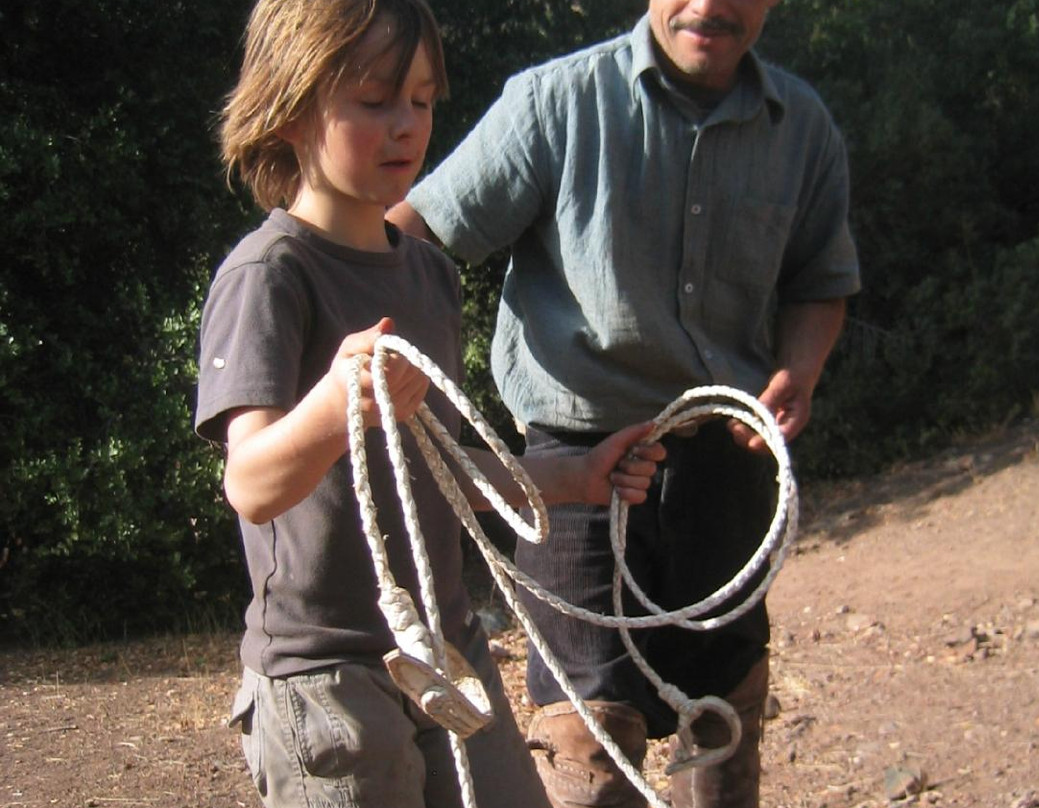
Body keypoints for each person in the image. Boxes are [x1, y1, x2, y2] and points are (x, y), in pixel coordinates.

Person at [387, 1, 862, 806]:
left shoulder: (803, 126)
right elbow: (415, 234)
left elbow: (822, 280)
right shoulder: (554, 103)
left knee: (726, 722)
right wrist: (395, 375)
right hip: (571, 474)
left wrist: (801, 373)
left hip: (728, 466)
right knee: (585, 743)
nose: (711, 5)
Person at [194, 2, 665, 807]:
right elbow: (253, 483)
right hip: (328, 676)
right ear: (293, 106)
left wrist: (576, 475)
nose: (407, 125)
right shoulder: (270, 274)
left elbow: (441, 467)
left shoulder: (428, 276)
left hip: (451, 653)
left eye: (421, 100)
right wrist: (337, 401)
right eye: (375, 99)